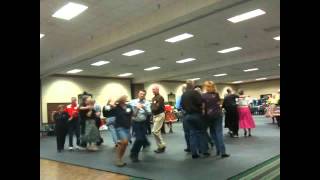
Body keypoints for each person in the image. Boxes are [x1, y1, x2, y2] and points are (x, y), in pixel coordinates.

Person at [181, 80, 209, 159]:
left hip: (187, 116)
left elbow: (182, 106)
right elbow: (200, 103)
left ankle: (194, 153)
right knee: (202, 133)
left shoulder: (184, 95)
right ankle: (204, 151)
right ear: (192, 85)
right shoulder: (195, 93)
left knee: (192, 134)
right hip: (196, 115)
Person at [202, 81, 230, 158]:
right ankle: (222, 152)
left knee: (213, 133)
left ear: (205, 87)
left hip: (208, 116)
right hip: (218, 115)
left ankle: (218, 149)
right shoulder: (216, 94)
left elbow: (203, 108)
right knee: (219, 133)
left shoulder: (203, 96)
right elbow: (219, 104)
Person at [129, 90, 151, 162]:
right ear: (138, 94)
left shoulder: (147, 103)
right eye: (141, 94)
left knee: (141, 139)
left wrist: (143, 107)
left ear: (145, 95)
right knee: (139, 139)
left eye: (143, 94)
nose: (142, 95)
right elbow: (129, 111)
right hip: (135, 123)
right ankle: (133, 153)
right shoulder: (132, 102)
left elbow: (149, 113)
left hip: (144, 123)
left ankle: (134, 153)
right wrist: (136, 108)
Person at [114, 95, 133, 167]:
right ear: (121, 99)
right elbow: (112, 105)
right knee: (124, 142)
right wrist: (118, 100)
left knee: (124, 144)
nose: (125, 99)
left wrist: (137, 109)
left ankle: (120, 159)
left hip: (127, 127)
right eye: (123, 98)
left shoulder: (129, 106)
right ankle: (118, 159)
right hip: (119, 127)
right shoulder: (116, 107)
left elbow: (132, 115)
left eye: (125, 98)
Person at [151, 86, 166, 153]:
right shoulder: (153, 98)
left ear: (158, 90)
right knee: (157, 131)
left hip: (160, 115)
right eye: (152, 90)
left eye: (154, 89)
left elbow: (157, 107)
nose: (153, 91)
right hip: (155, 115)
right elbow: (153, 107)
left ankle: (162, 145)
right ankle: (160, 147)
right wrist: (154, 106)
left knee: (154, 131)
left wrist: (154, 107)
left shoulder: (160, 97)